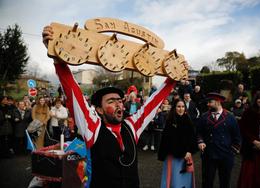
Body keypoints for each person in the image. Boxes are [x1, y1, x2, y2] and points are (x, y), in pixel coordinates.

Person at [42, 25, 178, 188]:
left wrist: (173, 77)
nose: (119, 104)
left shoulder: (132, 125)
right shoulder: (93, 127)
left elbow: (154, 102)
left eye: (120, 100)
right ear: (99, 110)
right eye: (111, 101)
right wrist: (58, 56)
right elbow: (73, 92)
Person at [196, 92, 241, 188]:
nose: (207, 104)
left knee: (225, 182)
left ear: (218, 102)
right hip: (209, 155)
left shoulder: (230, 117)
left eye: (210, 102)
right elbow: (199, 132)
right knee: (207, 182)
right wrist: (200, 141)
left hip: (226, 156)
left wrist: (232, 151)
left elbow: (237, 136)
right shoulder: (204, 117)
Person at [158, 99, 197, 188]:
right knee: (174, 182)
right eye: (178, 106)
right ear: (174, 108)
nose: (181, 109)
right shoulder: (170, 121)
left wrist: (190, 151)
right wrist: (183, 152)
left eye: (183, 107)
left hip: (186, 157)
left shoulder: (188, 120)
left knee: (185, 183)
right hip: (174, 158)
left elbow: (192, 138)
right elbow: (168, 142)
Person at [237, 91, 260, 188]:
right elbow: (243, 129)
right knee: (249, 176)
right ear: (256, 100)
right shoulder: (248, 112)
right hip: (250, 150)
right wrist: (253, 141)